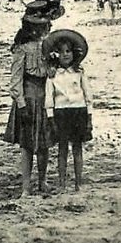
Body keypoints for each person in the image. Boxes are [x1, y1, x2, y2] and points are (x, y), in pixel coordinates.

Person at [3, 0, 64, 196]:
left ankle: (42, 181)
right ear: (29, 27)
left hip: (45, 98)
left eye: (44, 26)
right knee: (28, 145)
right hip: (28, 98)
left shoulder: (49, 48)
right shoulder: (22, 48)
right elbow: (15, 80)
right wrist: (20, 103)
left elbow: (52, 74)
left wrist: (54, 66)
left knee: (45, 143)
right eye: (37, 27)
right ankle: (26, 186)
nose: (41, 30)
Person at [44, 29, 93, 192]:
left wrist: (89, 117)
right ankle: (62, 183)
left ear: (74, 54)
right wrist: (51, 119)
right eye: (61, 52)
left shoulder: (79, 73)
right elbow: (49, 99)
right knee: (62, 149)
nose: (65, 55)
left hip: (78, 111)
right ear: (55, 54)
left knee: (77, 148)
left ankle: (79, 183)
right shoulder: (52, 75)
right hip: (61, 114)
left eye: (68, 51)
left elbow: (88, 95)